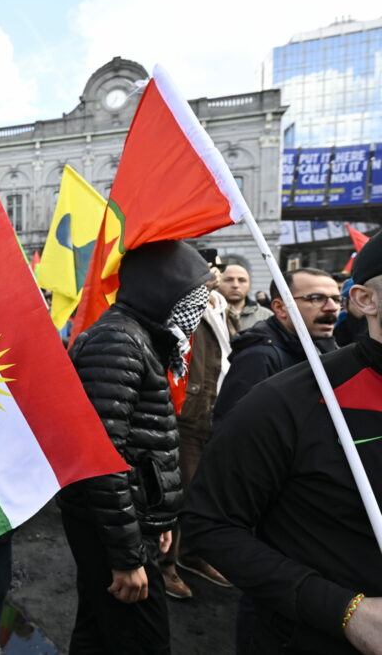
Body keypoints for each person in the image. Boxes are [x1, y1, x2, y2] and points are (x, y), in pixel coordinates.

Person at [181, 231, 382, 653]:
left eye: (331, 298)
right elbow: (210, 522)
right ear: (365, 300)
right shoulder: (288, 397)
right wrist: (344, 610)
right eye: (314, 299)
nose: (327, 308)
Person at [57, 240, 212, 654]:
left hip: (123, 522)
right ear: (163, 291)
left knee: (98, 633)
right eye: (194, 298)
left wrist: (154, 520)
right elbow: (102, 458)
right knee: (140, 642)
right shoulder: (119, 342)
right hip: (109, 529)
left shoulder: (136, 337)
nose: (199, 312)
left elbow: (141, 445)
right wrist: (127, 555)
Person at [160, 259, 233, 600]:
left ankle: (192, 554)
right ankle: (166, 565)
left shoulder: (221, 311)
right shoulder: (182, 308)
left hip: (212, 413)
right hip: (184, 414)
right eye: (208, 271)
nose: (218, 278)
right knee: (176, 494)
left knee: (202, 493)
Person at [213, 268, 341, 422]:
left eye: (337, 299)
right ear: (280, 308)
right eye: (316, 298)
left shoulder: (326, 349)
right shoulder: (259, 357)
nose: (332, 307)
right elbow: (237, 429)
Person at [218, 264, 272, 331]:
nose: (235, 285)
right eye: (229, 280)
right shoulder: (207, 314)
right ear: (218, 282)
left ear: (249, 285)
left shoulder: (266, 316)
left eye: (241, 280)